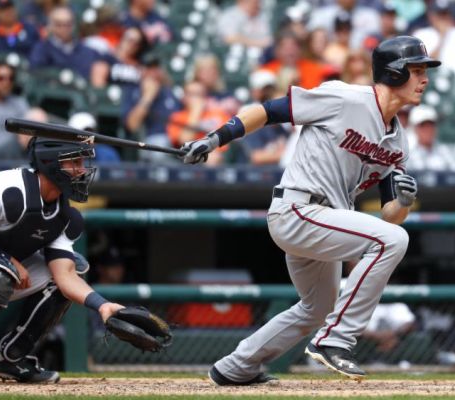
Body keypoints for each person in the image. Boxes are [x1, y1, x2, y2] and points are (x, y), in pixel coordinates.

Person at [179, 35, 440, 384]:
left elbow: (389, 216)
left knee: (316, 308)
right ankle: (335, 341)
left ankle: (235, 367)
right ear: (393, 73)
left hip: (328, 221)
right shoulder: (344, 97)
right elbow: (269, 111)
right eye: (416, 70)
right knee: (393, 241)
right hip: (298, 207)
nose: (424, 79)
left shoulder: (398, 141)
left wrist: (403, 203)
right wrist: (216, 138)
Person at [0, 136, 126, 383]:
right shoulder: (8, 188)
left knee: (75, 266)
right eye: (74, 162)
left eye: (82, 162)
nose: (82, 170)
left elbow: (65, 276)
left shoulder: (65, 216)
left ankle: (10, 358)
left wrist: (102, 305)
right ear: (50, 162)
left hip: (4, 269)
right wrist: (5, 257)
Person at [406, 105, 455, 171]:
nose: (428, 130)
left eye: (431, 125)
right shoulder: (408, 157)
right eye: (423, 126)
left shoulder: (450, 152)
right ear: (414, 129)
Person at [0, 61, 29, 148]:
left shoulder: (20, 103)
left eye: (10, 78)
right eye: (1, 78)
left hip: (16, 154)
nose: (6, 82)